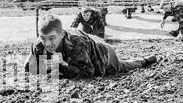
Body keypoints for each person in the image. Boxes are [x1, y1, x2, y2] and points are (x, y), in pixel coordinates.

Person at [25, 14, 157, 79]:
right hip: (89, 42)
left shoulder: (76, 43)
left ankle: (143, 60)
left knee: (122, 66)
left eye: (52, 38)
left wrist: (62, 64)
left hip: (104, 54)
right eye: (43, 38)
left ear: (62, 34)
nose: (47, 44)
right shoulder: (39, 44)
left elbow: (89, 72)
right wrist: (48, 67)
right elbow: (29, 67)